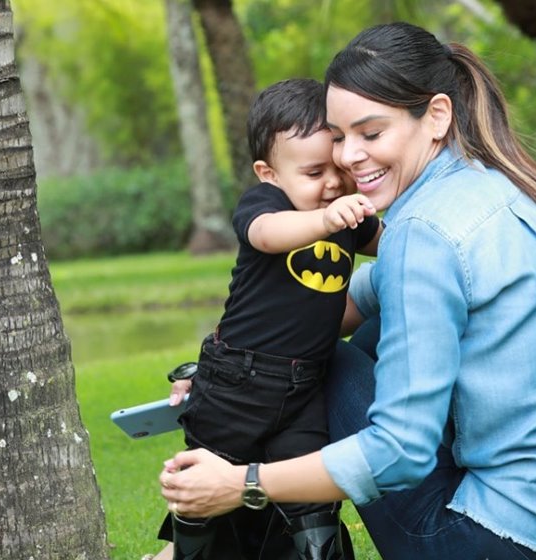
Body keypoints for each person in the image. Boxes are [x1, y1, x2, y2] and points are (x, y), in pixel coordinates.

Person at [159, 22, 536, 560]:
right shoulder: (498, 184)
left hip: (520, 545)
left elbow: (399, 453)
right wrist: (224, 367)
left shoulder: (423, 233)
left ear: (437, 116)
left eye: (371, 133)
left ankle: (212, 544)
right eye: (339, 136)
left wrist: (245, 482)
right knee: (324, 348)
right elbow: (361, 293)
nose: (349, 157)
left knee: (320, 368)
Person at [159, 78, 381, 560]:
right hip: (238, 380)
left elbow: (397, 240)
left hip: (304, 388)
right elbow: (265, 235)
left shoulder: (345, 213)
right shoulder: (268, 206)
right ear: (270, 173)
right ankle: (183, 551)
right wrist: (327, 220)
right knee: (207, 492)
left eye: (337, 167)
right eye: (314, 171)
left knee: (313, 505)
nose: (332, 184)